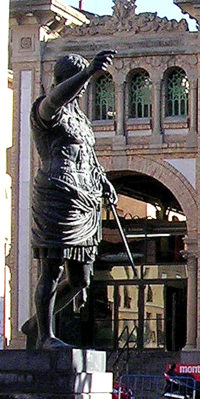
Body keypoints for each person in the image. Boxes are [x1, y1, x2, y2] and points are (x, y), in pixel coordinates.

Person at [23, 51, 117, 349]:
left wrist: (104, 182)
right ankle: (46, 336)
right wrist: (88, 72)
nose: (83, 89)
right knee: (52, 269)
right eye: (77, 82)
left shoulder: (80, 119)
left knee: (81, 279)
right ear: (65, 81)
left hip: (84, 199)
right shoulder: (46, 109)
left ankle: (35, 323)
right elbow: (56, 99)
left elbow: (87, 157)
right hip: (57, 193)